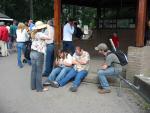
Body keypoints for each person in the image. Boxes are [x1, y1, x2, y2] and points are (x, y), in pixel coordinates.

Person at [30, 21, 49, 92]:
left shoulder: (33, 33)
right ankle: (39, 88)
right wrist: (49, 28)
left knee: (33, 70)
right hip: (39, 53)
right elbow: (49, 37)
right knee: (39, 71)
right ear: (41, 27)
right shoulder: (40, 34)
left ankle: (33, 86)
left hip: (32, 52)